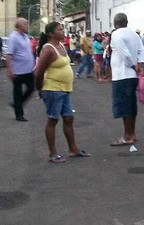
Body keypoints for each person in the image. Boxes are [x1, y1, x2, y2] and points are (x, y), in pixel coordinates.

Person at [34, 22, 90, 163]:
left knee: (68, 118)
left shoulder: (61, 47)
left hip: (64, 89)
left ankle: (73, 149)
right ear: (51, 33)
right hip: (52, 89)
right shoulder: (48, 49)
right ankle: (53, 154)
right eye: (60, 29)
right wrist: (40, 88)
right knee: (53, 119)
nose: (63, 31)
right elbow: (39, 72)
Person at [109, 13, 144, 146]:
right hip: (132, 75)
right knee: (131, 105)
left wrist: (134, 65)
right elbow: (142, 51)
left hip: (122, 75)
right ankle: (132, 134)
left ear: (115, 24)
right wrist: (140, 64)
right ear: (127, 22)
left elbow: (123, 52)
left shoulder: (116, 34)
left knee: (124, 106)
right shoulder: (134, 34)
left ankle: (128, 136)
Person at [5, 17, 36, 122]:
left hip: (28, 70)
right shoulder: (13, 37)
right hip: (17, 70)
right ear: (19, 26)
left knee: (31, 88)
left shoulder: (25, 36)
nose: (27, 26)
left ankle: (17, 104)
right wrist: (9, 69)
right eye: (25, 24)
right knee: (17, 93)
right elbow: (9, 54)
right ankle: (19, 114)